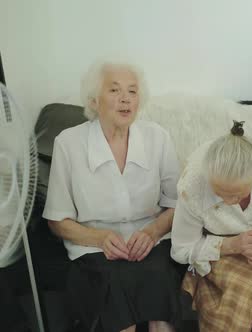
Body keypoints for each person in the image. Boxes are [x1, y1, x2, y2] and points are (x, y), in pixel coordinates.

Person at [43, 61, 181, 332]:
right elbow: (57, 220)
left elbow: (177, 204)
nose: (125, 99)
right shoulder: (68, 143)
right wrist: (100, 238)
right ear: (94, 100)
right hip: (93, 248)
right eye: (115, 90)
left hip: (149, 243)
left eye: (132, 91)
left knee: (158, 288)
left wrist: (153, 232)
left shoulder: (158, 137)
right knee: (112, 291)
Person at [170, 121, 252, 332]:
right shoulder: (193, 182)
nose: (228, 200)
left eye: (236, 194)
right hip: (217, 249)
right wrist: (232, 245)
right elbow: (181, 248)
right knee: (238, 291)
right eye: (220, 192)